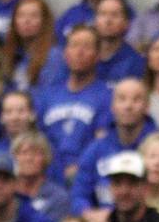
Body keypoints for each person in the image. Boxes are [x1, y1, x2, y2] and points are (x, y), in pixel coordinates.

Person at [30, 26, 112, 183]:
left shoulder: (106, 96)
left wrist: (80, 167)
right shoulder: (47, 94)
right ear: (65, 53)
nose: (79, 52)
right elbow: (36, 137)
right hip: (47, 171)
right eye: (74, 45)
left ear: (97, 55)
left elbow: (101, 143)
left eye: (86, 47)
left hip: (84, 174)